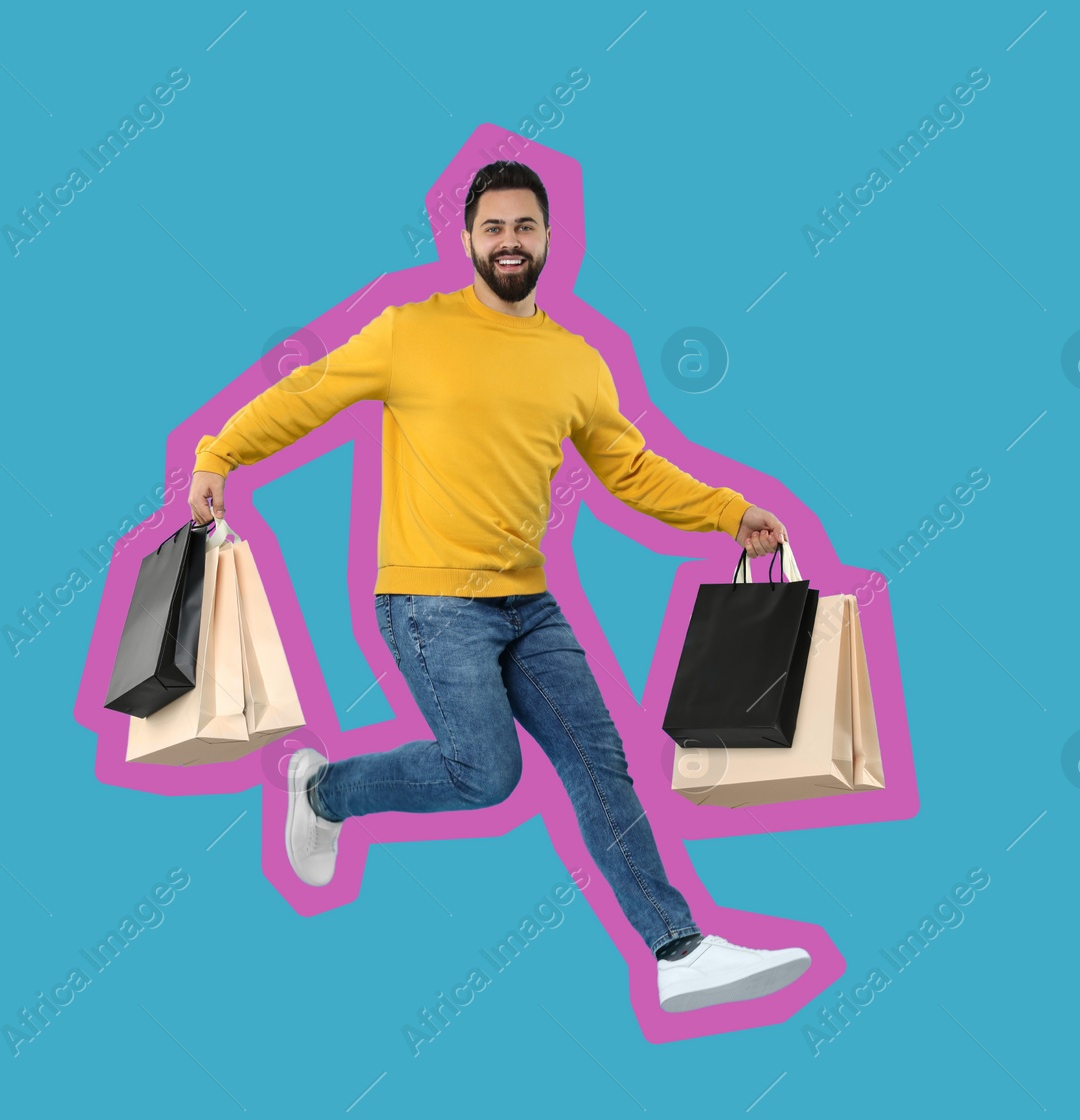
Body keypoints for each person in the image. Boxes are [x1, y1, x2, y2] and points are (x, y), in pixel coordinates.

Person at [188, 161, 811, 1013]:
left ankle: (679, 952)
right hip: (429, 600)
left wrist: (728, 511)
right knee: (486, 774)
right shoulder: (409, 330)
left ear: (549, 238)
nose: (509, 242)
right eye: (494, 228)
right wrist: (219, 453)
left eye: (524, 227)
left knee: (602, 764)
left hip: (530, 603)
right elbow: (309, 396)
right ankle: (323, 790)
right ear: (468, 239)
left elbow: (630, 470)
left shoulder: (575, 359)